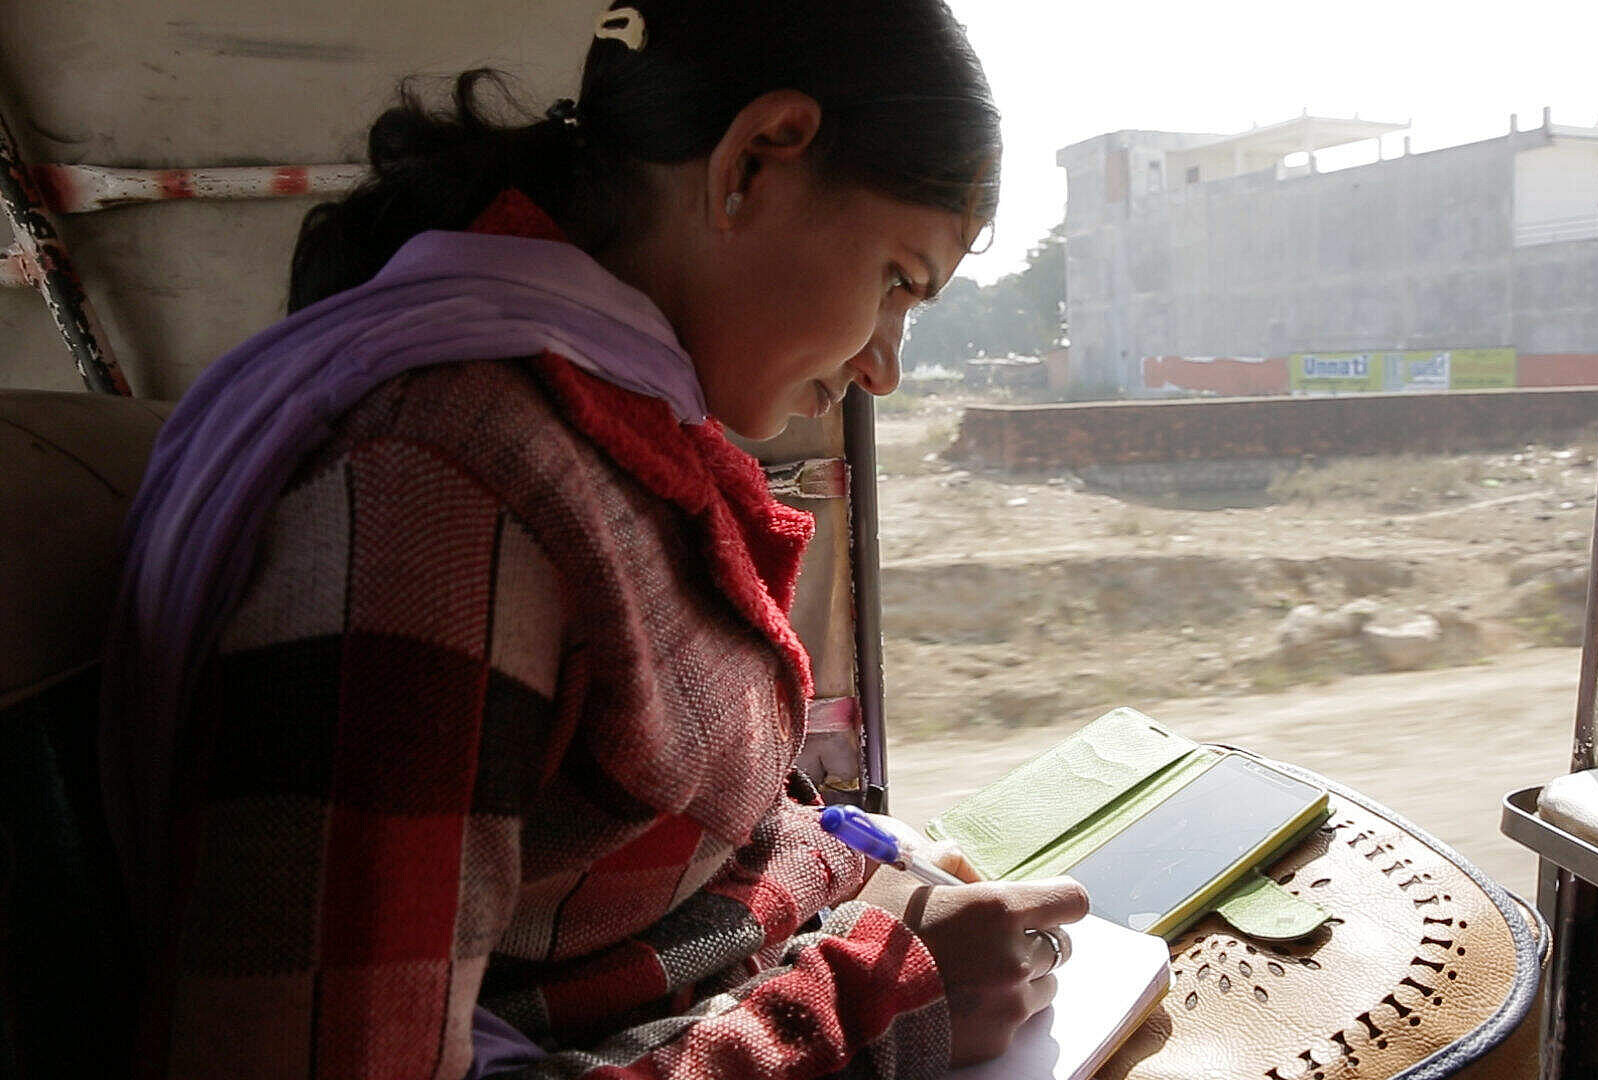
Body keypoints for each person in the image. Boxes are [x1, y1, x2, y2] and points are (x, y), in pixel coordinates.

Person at [100, 2, 1088, 1077]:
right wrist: (874, 1006)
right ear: (758, 157)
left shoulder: (603, 437)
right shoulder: (440, 490)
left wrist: (855, 866)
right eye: (899, 279)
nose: (884, 367)